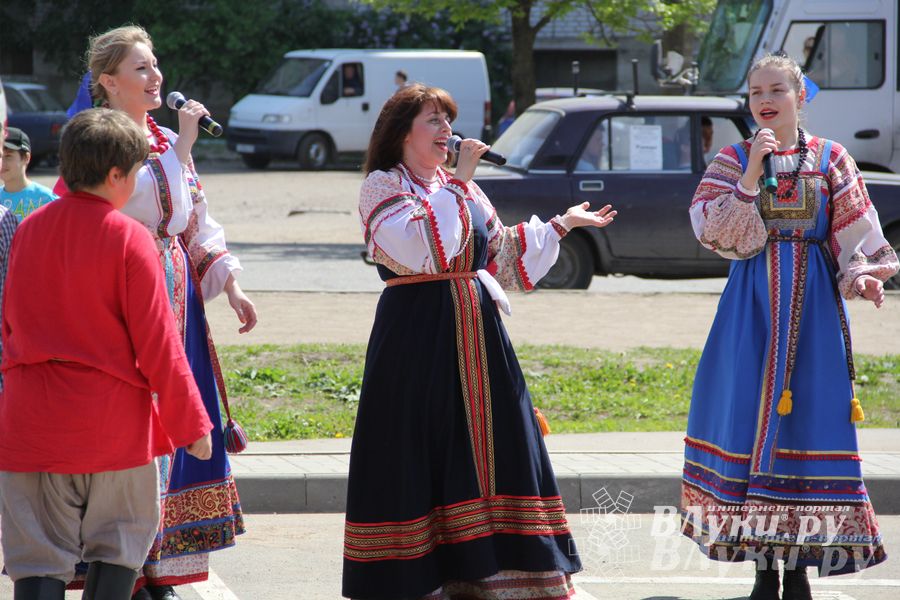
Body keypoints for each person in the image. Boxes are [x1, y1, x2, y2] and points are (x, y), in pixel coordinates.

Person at [344, 83, 616, 599]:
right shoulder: (383, 186)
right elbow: (420, 249)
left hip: (479, 336)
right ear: (403, 132)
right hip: (416, 336)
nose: (448, 132)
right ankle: (425, 581)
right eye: (434, 121)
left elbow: (502, 255)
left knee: (496, 446)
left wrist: (562, 225)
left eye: (449, 122)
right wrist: (458, 183)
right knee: (424, 450)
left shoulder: (459, 187)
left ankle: (501, 579)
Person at [682, 53, 897, 600]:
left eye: (776, 88)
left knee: (808, 426)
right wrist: (754, 170)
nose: (765, 99)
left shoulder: (831, 158)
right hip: (750, 309)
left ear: (801, 96)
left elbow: (855, 232)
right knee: (751, 423)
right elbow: (718, 234)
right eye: (756, 92)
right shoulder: (732, 160)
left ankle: (799, 568)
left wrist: (864, 277)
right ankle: (761, 570)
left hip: (815, 312)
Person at [65, 25, 258, 600]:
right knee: (135, 419)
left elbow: (195, 221)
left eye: (156, 66)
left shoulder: (162, 137)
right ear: (108, 81)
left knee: (175, 414)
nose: (157, 78)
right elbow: (128, 203)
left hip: (175, 289)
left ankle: (162, 568)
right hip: (122, 290)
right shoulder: (98, 139)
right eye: (142, 68)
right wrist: (182, 148)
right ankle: (124, 564)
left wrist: (230, 284)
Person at [0, 108, 213, 600]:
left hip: (32, 421)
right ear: (116, 174)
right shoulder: (130, 238)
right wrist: (191, 424)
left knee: (36, 558)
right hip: (113, 425)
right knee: (118, 546)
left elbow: (10, 324)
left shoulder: (28, 230)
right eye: (136, 172)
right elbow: (159, 343)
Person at [0, 127, 58, 221]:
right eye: (0, 156)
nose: (2, 162)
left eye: (8, 156)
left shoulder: (46, 199)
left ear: (26, 158)